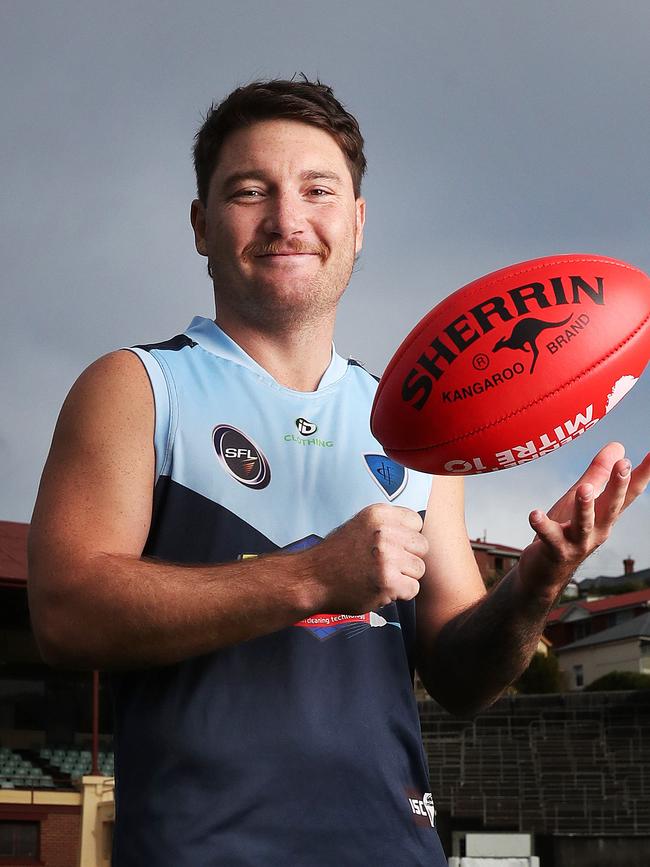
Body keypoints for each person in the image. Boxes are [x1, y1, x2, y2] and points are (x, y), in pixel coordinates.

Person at [28, 78, 650, 866]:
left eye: (318, 190)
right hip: (205, 848)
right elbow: (64, 612)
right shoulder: (138, 387)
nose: (288, 219)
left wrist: (536, 584)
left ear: (356, 225)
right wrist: (311, 576)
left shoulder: (424, 428)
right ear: (201, 225)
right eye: (251, 191)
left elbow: (461, 679)